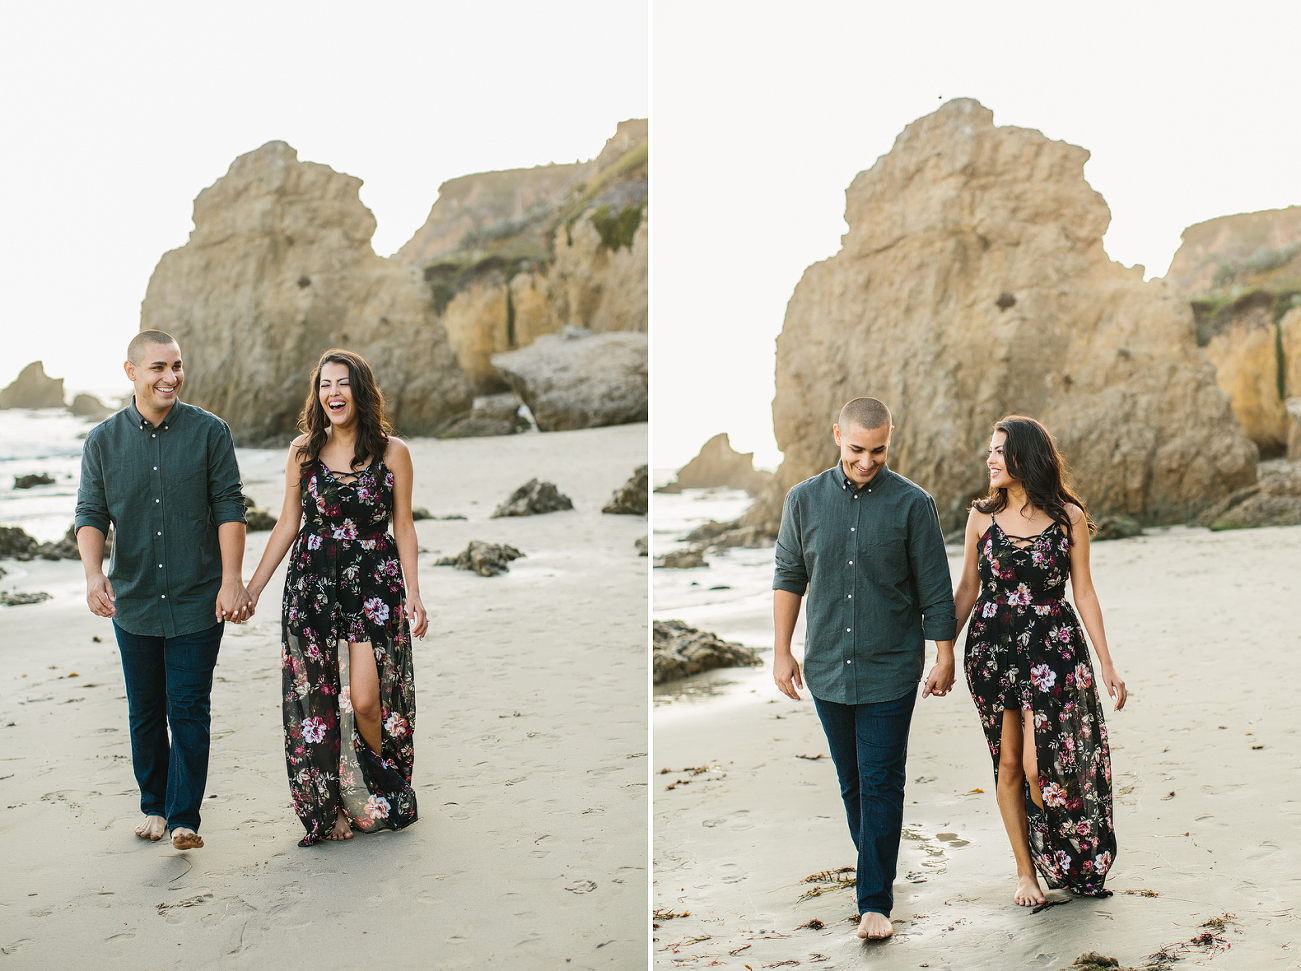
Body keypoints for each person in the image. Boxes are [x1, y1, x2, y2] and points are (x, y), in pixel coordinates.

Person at [773, 396, 957, 941]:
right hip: (826, 667)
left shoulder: (912, 504)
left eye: (878, 450)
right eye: (857, 449)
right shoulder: (802, 501)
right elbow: (789, 575)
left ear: (890, 439)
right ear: (837, 436)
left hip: (891, 670)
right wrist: (781, 650)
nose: (866, 460)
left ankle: (875, 898)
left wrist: (944, 654)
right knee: (851, 780)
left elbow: (935, 588)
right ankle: (877, 860)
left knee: (880, 781)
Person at [75, 329, 252, 851]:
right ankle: (152, 805)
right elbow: (90, 513)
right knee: (146, 709)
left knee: (189, 706)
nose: (170, 377)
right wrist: (92, 574)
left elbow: (229, 507)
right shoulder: (103, 441)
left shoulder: (209, 432)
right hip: (132, 600)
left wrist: (232, 579)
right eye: (158, 367)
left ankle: (184, 818)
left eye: (176, 365)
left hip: (199, 598)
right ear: (131, 373)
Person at [246, 348, 426, 847]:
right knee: (317, 706)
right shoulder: (303, 451)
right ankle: (335, 810)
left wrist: (415, 593)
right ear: (317, 393)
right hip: (314, 585)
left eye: (343, 383)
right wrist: (254, 587)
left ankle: (377, 788)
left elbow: (404, 525)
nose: (333, 393)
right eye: (325, 384)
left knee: (367, 701)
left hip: (373, 585)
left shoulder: (394, 453)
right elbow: (288, 523)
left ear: (360, 390)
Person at [953, 415, 1126, 906]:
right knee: (1007, 764)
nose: (989, 458)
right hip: (992, 651)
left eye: (999, 450)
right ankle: (1026, 873)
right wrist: (943, 652)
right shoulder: (981, 518)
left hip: (1055, 650)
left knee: (1039, 766)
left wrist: (1107, 662)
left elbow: (1085, 591)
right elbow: (967, 589)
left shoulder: (1067, 516)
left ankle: (1067, 852)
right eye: (989, 449)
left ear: (1026, 456)